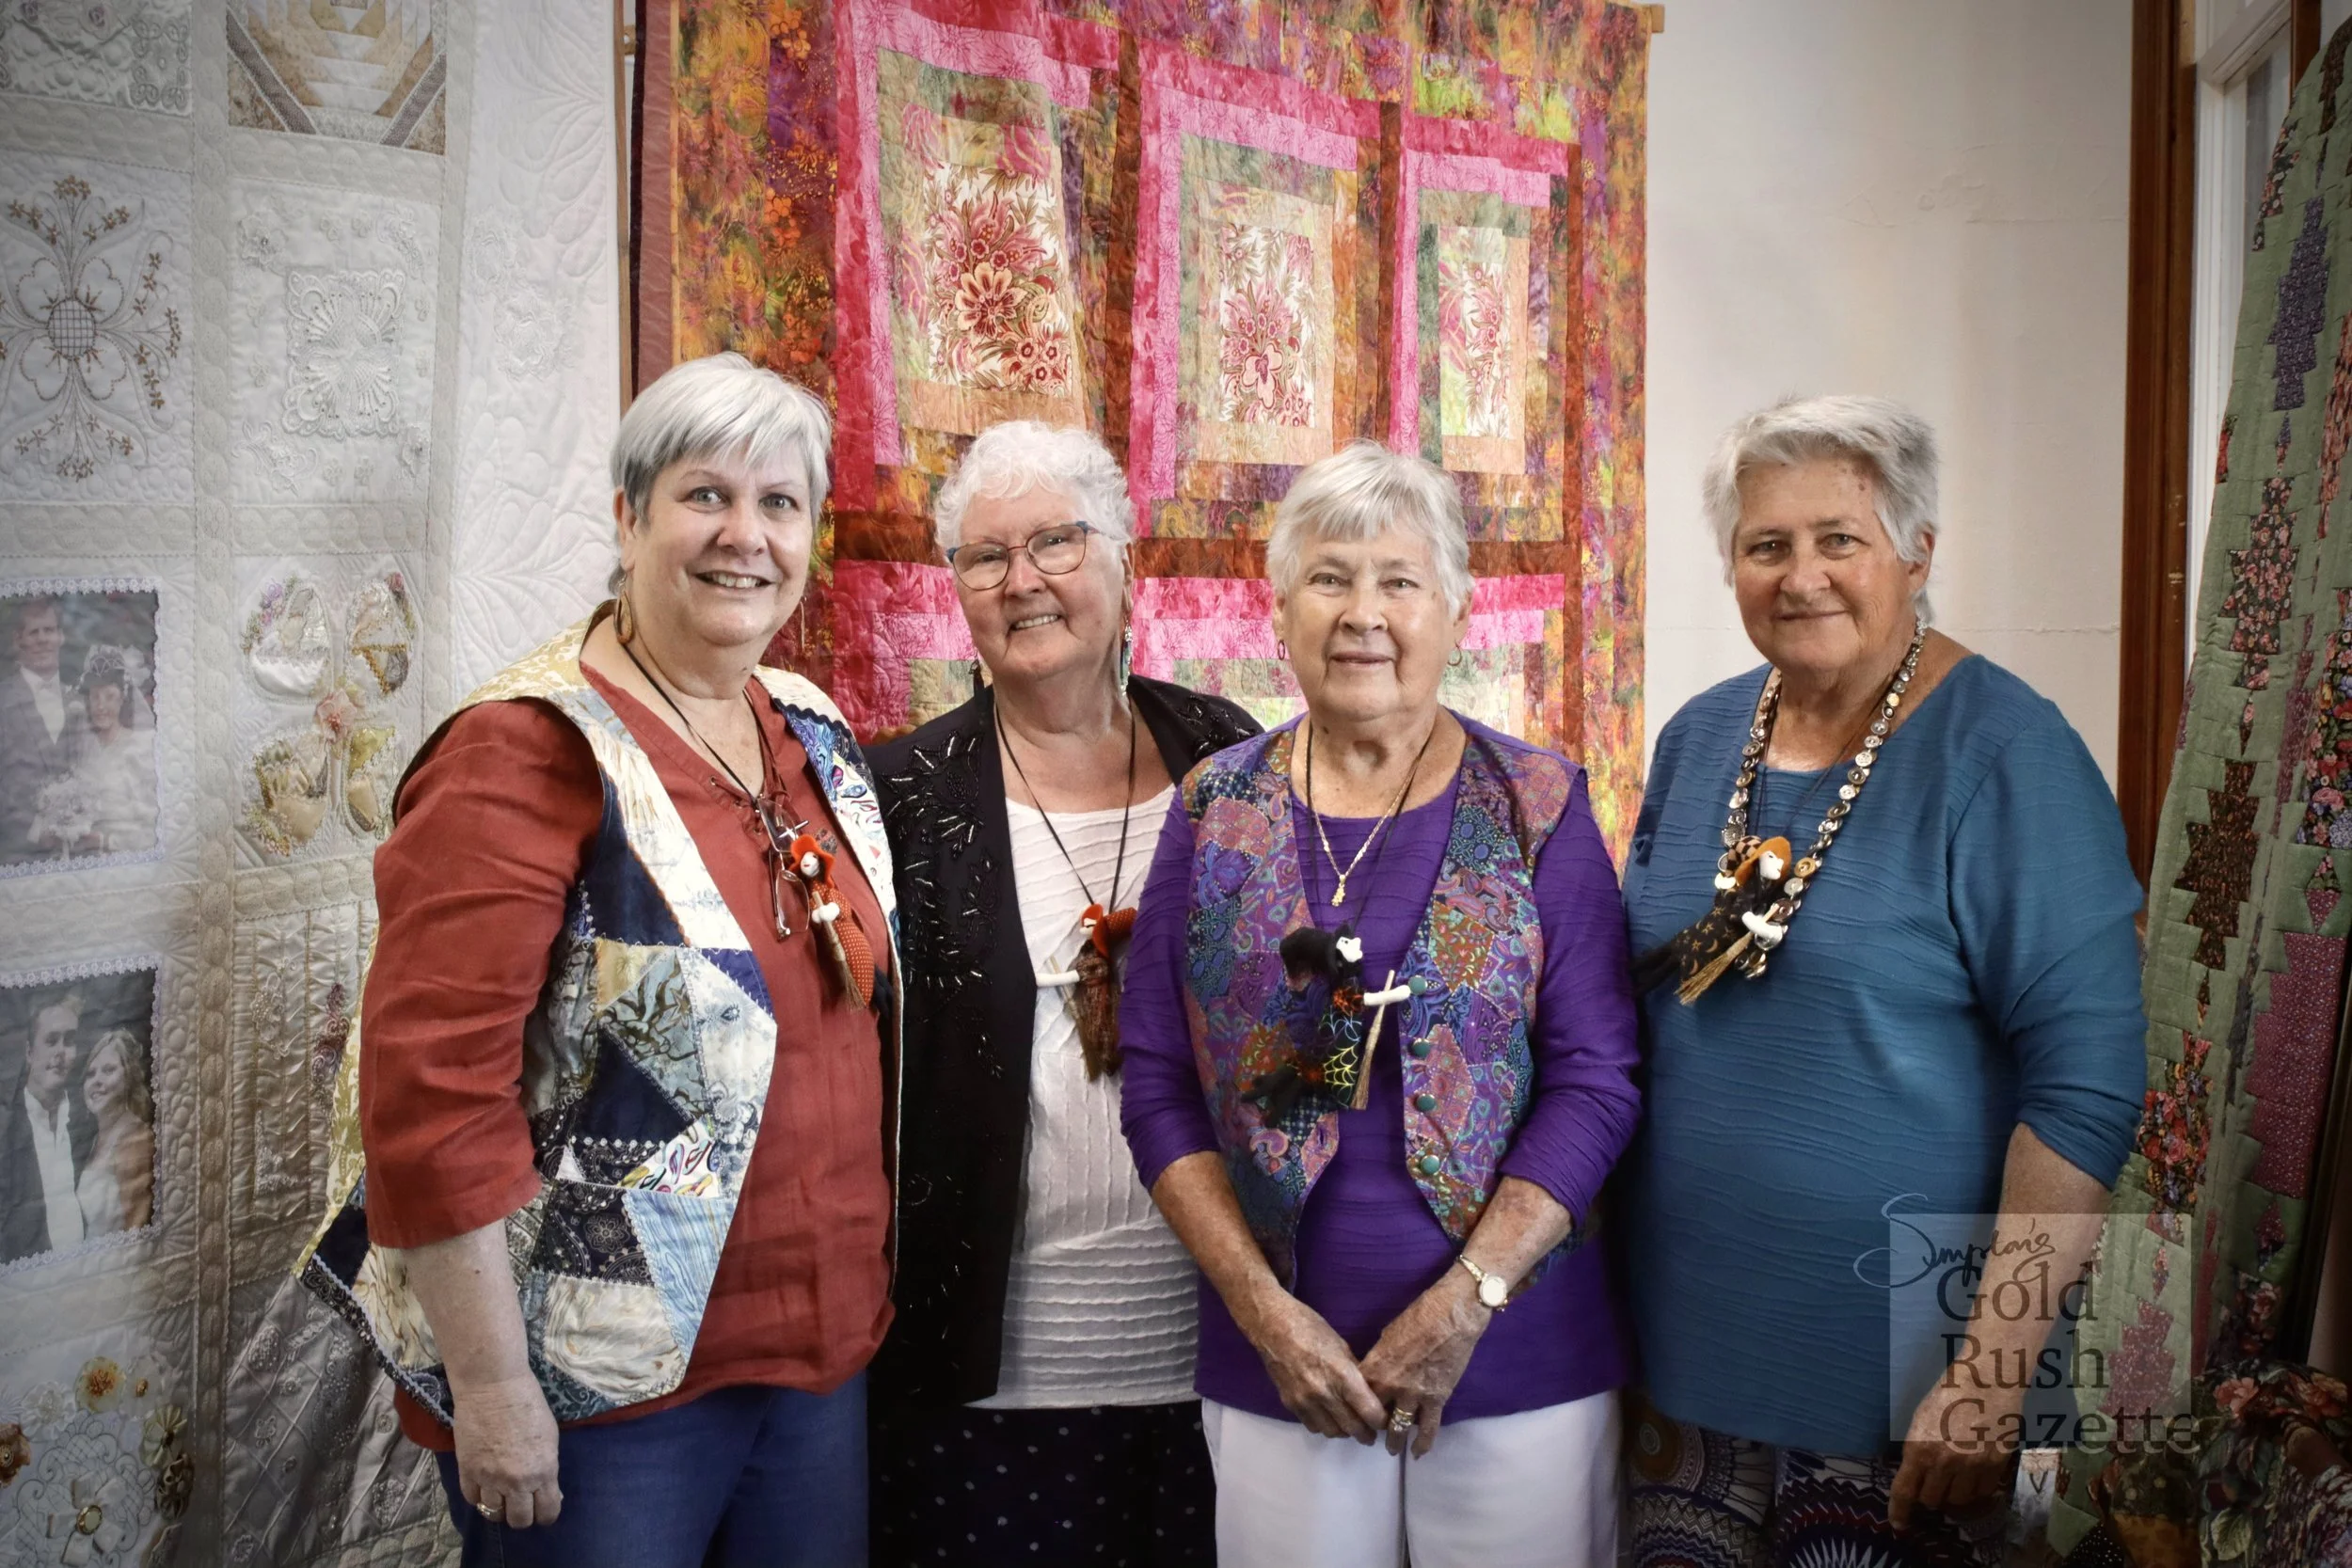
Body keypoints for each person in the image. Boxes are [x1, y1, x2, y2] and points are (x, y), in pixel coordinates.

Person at [300, 353, 898, 1568]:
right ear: (628, 519)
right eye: (703, 496)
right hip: (602, 1393)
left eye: (780, 503)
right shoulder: (524, 752)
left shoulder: (809, 727)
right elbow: (431, 1100)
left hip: (820, 1358)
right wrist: (493, 1385)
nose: (746, 535)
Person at [1618, 396, 2146, 1566]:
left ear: (1917, 549)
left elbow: (2089, 1086)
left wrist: (1994, 1371)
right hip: (1686, 1349)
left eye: (1837, 538)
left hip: (1912, 1378)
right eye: (1767, 545)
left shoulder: (2009, 752)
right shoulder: (1699, 739)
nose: (1801, 574)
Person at [1119, 439, 1641, 1568]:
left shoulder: (1538, 802)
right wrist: (1266, 1317)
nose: (1364, 612)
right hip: (1283, 1360)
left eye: (1399, 580)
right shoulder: (1216, 804)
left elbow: (1598, 1076)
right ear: (1280, 611)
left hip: (1517, 1350)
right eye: (1330, 576)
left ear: (1452, 609)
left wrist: (1467, 1298)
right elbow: (1156, 1082)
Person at [866, 421, 1258, 1566]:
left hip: (1221, 1347)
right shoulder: (895, 795)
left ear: (1124, 558)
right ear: (959, 594)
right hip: (989, 1372)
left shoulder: (1225, 756)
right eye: (986, 557)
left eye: (1055, 541)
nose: (1023, 579)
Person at [1, 993, 93, 1261]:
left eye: (70, 1041)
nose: (60, 1053)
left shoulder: (85, 1117)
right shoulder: (6, 1128)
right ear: (29, 1052)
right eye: (51, 1041)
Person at [0, 597, 86, 861]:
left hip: (78, 851)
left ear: (61, 636)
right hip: (16, 854)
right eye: (33, 632)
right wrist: (34, 831)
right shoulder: (4, 698)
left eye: (49, 630)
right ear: (18, 640)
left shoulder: (79, 700)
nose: (42, 639)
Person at [64, 646, 157, 855]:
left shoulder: (142, 747)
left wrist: (106, 841)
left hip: (126, 858)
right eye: (95, 696)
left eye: (109, 696)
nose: (101, 706)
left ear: (122, 698)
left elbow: (154, 829)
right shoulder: (83, 749)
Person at [74, 1029, 153, 1235]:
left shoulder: (135, 1139)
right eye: (91, 1074)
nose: (96, 1081)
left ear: (128, 1077)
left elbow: (135, 1227)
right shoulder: (94, 1141)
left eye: (108, 1070)